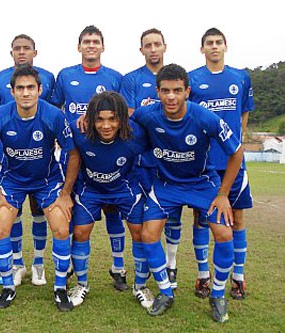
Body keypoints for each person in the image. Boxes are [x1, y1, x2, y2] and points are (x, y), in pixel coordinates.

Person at [131, 63, 243, 323]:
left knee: (225, 232)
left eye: (177, 90)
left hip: (202, 184)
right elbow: (123, 121)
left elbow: (236, 152)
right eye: (166, 90)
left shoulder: (205, 117)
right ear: (157, 92)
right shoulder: (146, 115)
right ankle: (165, 292)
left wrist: (223, 194)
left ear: (187, 91)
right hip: (166, 186)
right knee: (148, 234)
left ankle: (217, 295)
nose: (171, 96)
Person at [0, 65, 79, 311]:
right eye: (20, 88)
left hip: (47, 180)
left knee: (61, 226)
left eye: (31, 88)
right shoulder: (0, 116)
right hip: (12, 180)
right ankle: (8, 287)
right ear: (12, 91)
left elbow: (73, 153)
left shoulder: (53, 115)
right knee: (1, 226)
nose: (26, 93)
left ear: (40, 90)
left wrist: (65, 194)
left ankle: (59, 288)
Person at [51, 25, 128, 290]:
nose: (91, 45)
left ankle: (118, 266)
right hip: (74, 150)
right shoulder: (66, 76)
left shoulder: (116, 77)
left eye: (96, 41)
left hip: (107, 151)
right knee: (72, 205)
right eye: (86, 41)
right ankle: (71, 262)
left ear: (103, 47)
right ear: (79, 46)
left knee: (113, 208)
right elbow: (54, 109)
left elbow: (124, 112)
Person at [68, 91, 153, 309]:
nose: (106, 125)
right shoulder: (80, 132)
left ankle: (141, 285)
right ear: (90, 119)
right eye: (100, 119)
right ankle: (81, 284)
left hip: (125, 188)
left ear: (122, 119)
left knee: (139, 232)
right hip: (91, 189)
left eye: (113, 119)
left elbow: (155, 115)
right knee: (80, 232)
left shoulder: (137, 135)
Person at [189, 27, 254, 301]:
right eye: (209, 43)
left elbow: (243, 115)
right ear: (202, 49)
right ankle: (203, 275)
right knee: (201, 217)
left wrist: (235, 147)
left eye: (218, 42)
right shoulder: (193, 79)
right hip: (204, 163)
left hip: (232, 163)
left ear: (225, 46)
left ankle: (238, 277)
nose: (214, 47)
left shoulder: (241, 78)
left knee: (237, 218)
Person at [0, 34, 56, 286]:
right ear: (11, 52)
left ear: (35, 52)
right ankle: (17, 263)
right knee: (11, 212)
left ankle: (38, 263)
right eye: (17, 48)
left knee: (39, 210)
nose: (22, 52)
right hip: (10, 162)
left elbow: (52, 113)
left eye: (27, 48)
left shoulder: (47, 77)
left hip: (40, 160)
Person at [120, 28, 182, 289]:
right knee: (144, 218)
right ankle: (141, 273)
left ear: (165, 46)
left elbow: (180, 112)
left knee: (174, 215)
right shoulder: (131, 79)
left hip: (171, 160)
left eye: (157, 44)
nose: (153, 49)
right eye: (148, 45)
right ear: (141, 49)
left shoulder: (178, 76)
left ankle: (172, 264)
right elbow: (131, 113)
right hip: (142, 160)